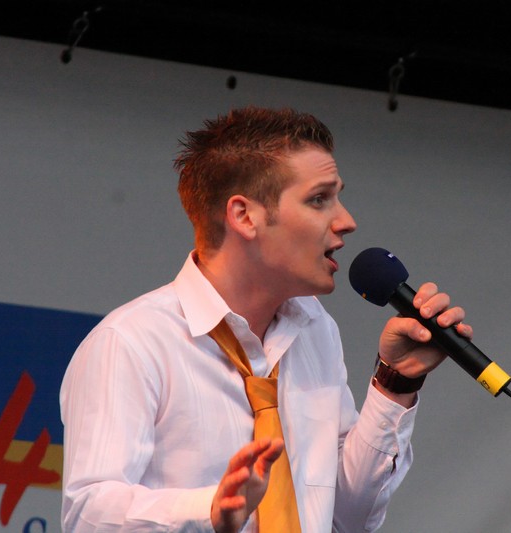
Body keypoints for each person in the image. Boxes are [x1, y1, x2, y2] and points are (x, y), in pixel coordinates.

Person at [60, 106, 472, 532]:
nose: (346, 222)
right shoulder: (131, 342)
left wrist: (395, 382)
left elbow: (347, 518)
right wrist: (209, 510)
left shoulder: (315, 330)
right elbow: (88, 515)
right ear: (244, 216)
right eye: (319, 199)